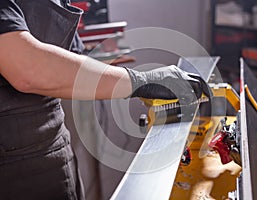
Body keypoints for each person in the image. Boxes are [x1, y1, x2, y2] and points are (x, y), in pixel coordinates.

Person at [0, 0, 203, 199]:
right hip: (10, 166)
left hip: (53, 144)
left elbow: (70, 56)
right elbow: (27, 67)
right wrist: (142, 81)